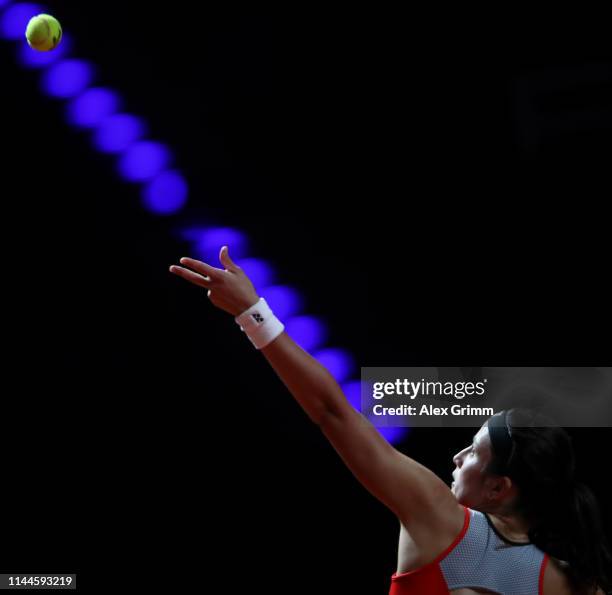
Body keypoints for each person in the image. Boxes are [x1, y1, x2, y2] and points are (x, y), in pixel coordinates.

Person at [169, 246, 611, 595]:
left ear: (500, 488)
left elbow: (333, 412)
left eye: (474, 451)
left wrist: (252, 313)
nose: (456, 457)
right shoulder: (571, 581)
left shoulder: (442, 519)